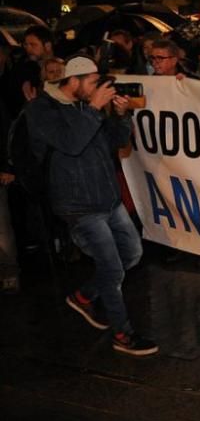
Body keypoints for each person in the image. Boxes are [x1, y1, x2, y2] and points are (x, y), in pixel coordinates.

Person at [24, 57, 157, 356]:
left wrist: (121, 116)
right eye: (94, 81)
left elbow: (116, 141)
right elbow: (71, 144)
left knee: (132, 254)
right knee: (111, 268)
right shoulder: (41, 109)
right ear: (73, 80)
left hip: (108, 198)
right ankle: (123, 334)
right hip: (78, 204)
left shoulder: (86, 106)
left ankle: (84, 296)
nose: (99, 87)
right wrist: (96, 108)